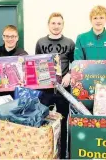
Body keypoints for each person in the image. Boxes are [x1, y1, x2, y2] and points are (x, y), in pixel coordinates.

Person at [35, 12, 75, 159]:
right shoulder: (40, 42)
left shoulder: (69, 43)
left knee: (64, 122)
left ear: (63, 25)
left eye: (59, 23)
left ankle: (63, 155)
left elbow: (75, 64)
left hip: (63, 90)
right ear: (48, 24)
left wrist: (69, 74)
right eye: (53, 23)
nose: (56, 26)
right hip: (45, 90)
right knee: (42, 120)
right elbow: (36, 63)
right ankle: (43, 152)